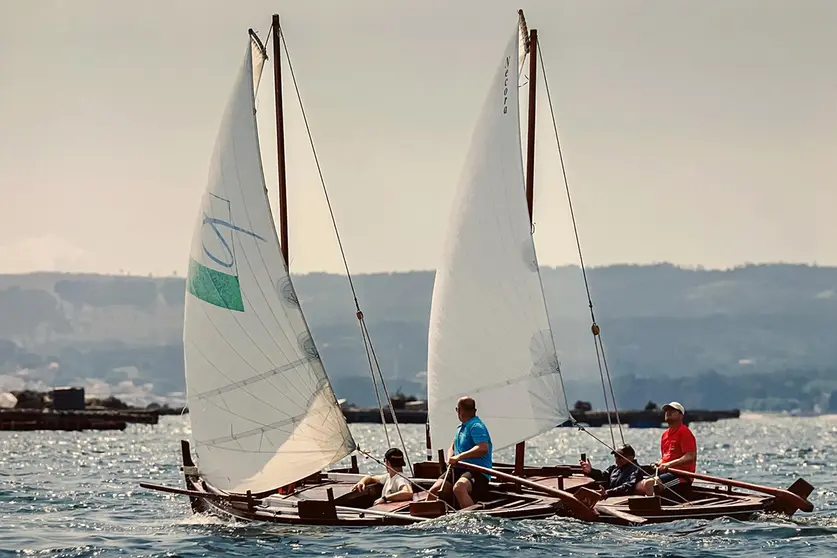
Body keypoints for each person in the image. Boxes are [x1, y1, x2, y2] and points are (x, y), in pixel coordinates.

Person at [427, 396, 493, 508]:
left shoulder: (476, 426)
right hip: (458, 468)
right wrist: (450, 458)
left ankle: (471, 519)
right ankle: (428, 515)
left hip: (477, 471)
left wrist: (458, 457)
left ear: (459, 410)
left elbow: (482, 448)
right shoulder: (461, 427)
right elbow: (452, 447)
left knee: (459, 488)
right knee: (434, 490)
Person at [637, 401, 697, 498]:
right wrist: (660, 463)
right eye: (667, 410)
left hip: (681, 477)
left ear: (681, 415)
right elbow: (666, 457)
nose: (668, 412)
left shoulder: (684, 432)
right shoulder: (665, 435)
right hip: (667, 473)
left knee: (649, 484)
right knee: (638, 485)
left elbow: (690, 456)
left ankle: (653, 509)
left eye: (672, 410)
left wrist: (668, 464)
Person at [579, 444, 646, 498]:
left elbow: (627, 487)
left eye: (620, 457)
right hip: (610, 497)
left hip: (623, 500)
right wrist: (590, 471)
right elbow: (603, 476)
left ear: (630, 458)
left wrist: (607, 492)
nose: (616, 459)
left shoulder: (635, 470)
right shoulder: (614, 468)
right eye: (615, 456)